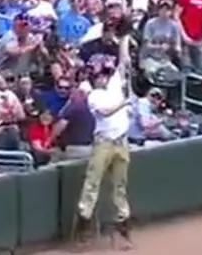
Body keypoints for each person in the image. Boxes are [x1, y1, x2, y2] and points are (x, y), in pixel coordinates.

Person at [74, 29, 134, 249]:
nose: (104, 77)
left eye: (105, 74)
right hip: (104, 142)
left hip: (121, 141)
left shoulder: (115, 83)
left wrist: (125, 35)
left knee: (120, 184)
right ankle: (84, 220)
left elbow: (124, 60)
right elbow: (106, 111)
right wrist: (124, 103)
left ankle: (123, 223)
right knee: (93, 182)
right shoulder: (94, 95)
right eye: (100, 75)